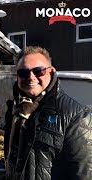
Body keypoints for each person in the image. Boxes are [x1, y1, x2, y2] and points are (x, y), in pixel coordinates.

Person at [5, 46, 92, 180]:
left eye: (38, 71)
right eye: (23, 72)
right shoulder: (15, 111)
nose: (31, 77)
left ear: (50, 72)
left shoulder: (76, 115)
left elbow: (84, 174)